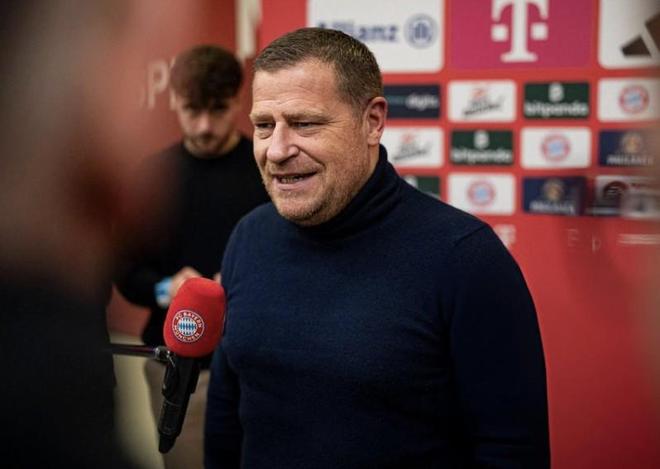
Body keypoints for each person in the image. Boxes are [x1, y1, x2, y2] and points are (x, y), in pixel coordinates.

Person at [204, 27, 550, 468]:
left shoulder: (466, 258)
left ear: (373, 122)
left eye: (305, 123)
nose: (276, 150)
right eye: (263, 126)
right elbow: (226, 412)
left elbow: (511, 450)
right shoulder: (248, 237)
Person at [115, 44, 269, 468]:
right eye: (192, 110)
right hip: (176, 364)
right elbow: (124, 271)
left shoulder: (268, 170)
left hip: (257, 362)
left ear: (238, 100)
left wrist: (239, 284)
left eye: (217, 110)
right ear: (174, 102)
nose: (203, 126)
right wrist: (168, 289)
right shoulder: (151, 176)